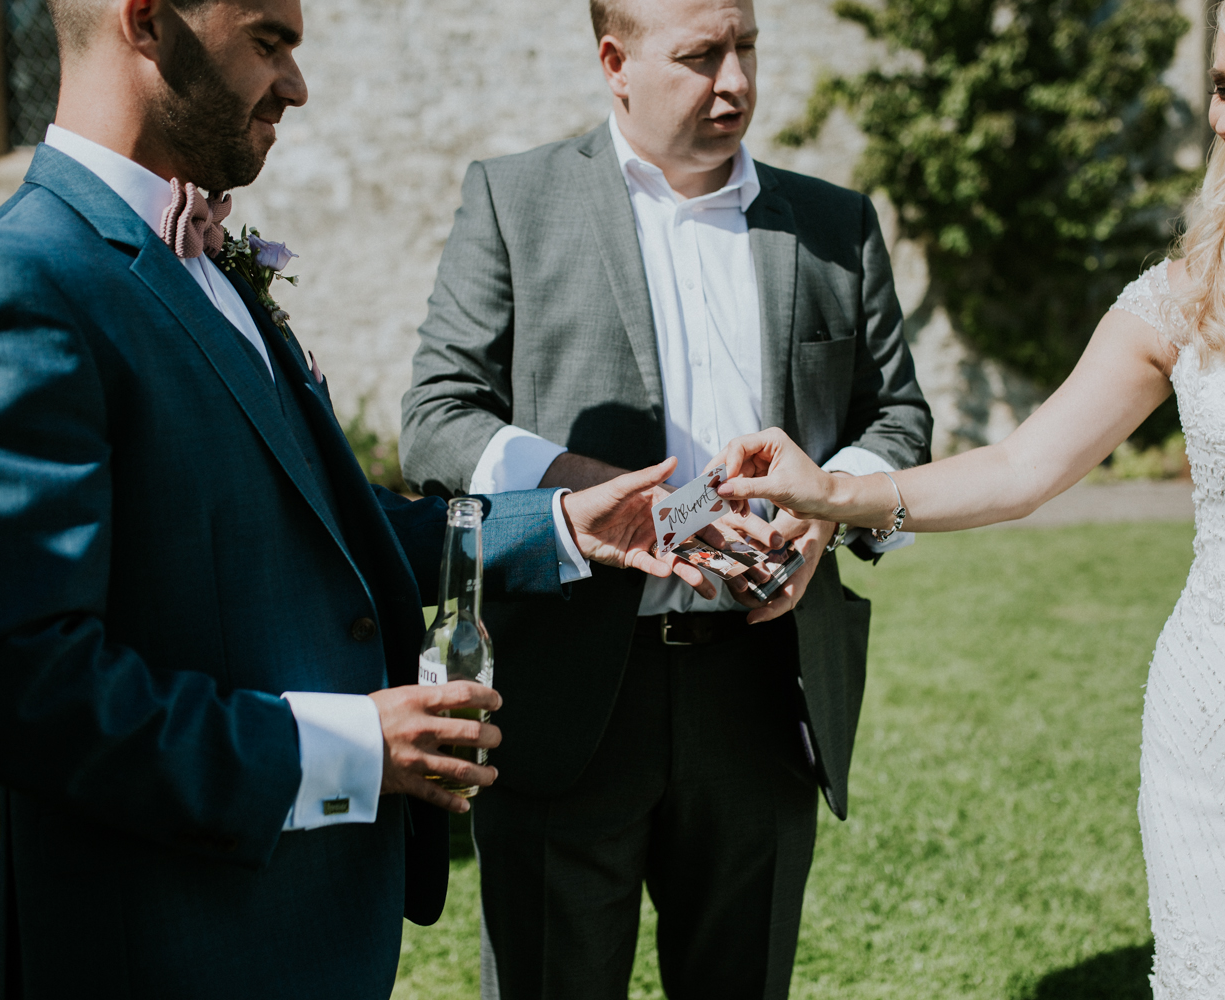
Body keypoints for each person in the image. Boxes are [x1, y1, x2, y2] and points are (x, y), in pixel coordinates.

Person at [0, 0, 711, 996]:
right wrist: (344, 748)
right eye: (269, 41)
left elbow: (316, 526)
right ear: (147, 22)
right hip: (177, 946)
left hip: (316, 935)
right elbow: (9, 682)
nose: (297, 85)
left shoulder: (202, 262)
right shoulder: (11, 282)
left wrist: (558, 527)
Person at [715, 0, 1225, 993]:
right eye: (1221, 87)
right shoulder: (1189, 295)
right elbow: (1020, 468)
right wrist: (835, 489)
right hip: (1212, 752)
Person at [398, 0, 931, 994]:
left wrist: (829, 507)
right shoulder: (516, 202)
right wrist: (581, 491)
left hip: (762, 688)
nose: (735, 82)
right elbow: (435, 420)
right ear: (615, 62)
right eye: (700, 57)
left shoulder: (833, 223)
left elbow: (896, 417)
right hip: (570, 686)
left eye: (747, 50)